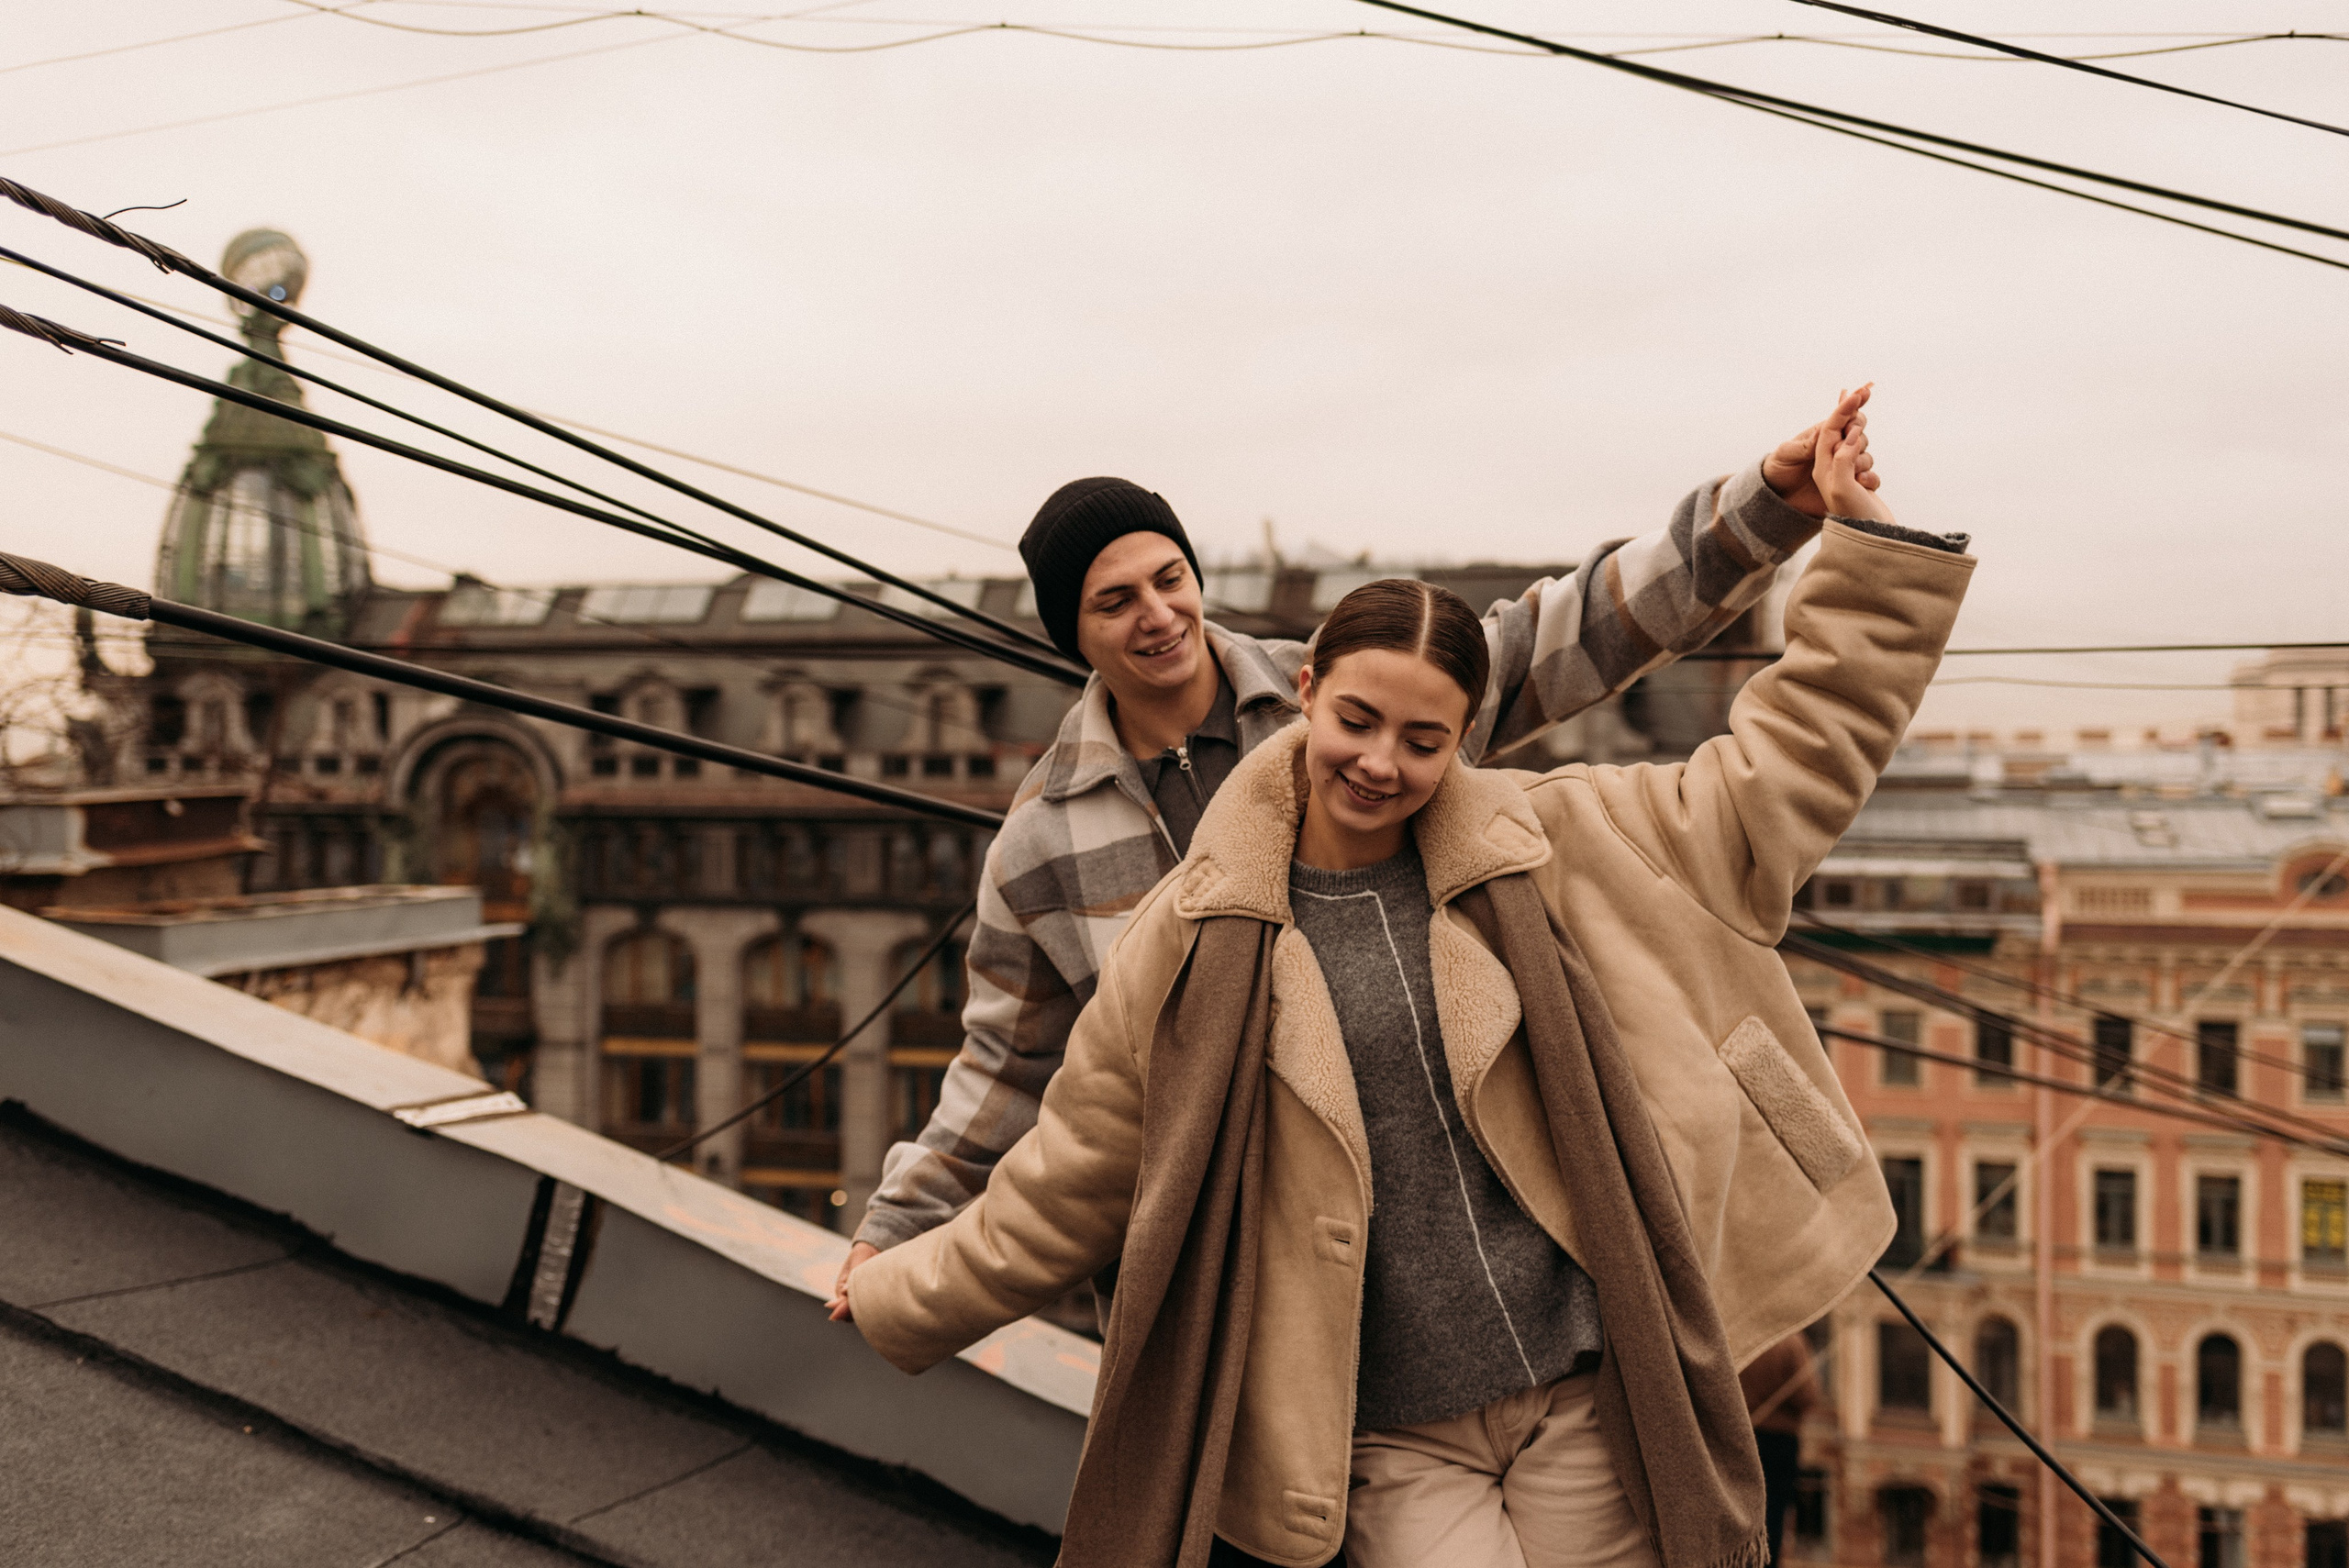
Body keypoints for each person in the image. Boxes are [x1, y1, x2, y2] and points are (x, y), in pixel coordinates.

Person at [840, 397, 1974, 1567]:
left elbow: (1577, 632)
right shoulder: (1060, 855)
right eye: (1113, 599)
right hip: (1301, 1318)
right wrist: (900, 1238)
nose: (1381, 761)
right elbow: (1029, 1087)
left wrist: (1771, 511)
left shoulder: (1401, 704)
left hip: (1555, 1317)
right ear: (1070, 631)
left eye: (1167, 577)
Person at [1741, 1334, 1823, 1567]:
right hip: (1779, 1441)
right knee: (1773, 1513)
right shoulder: (1790, 1343)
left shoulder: (1743, 1336)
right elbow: (1808, 1395)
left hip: (1742, 1437)